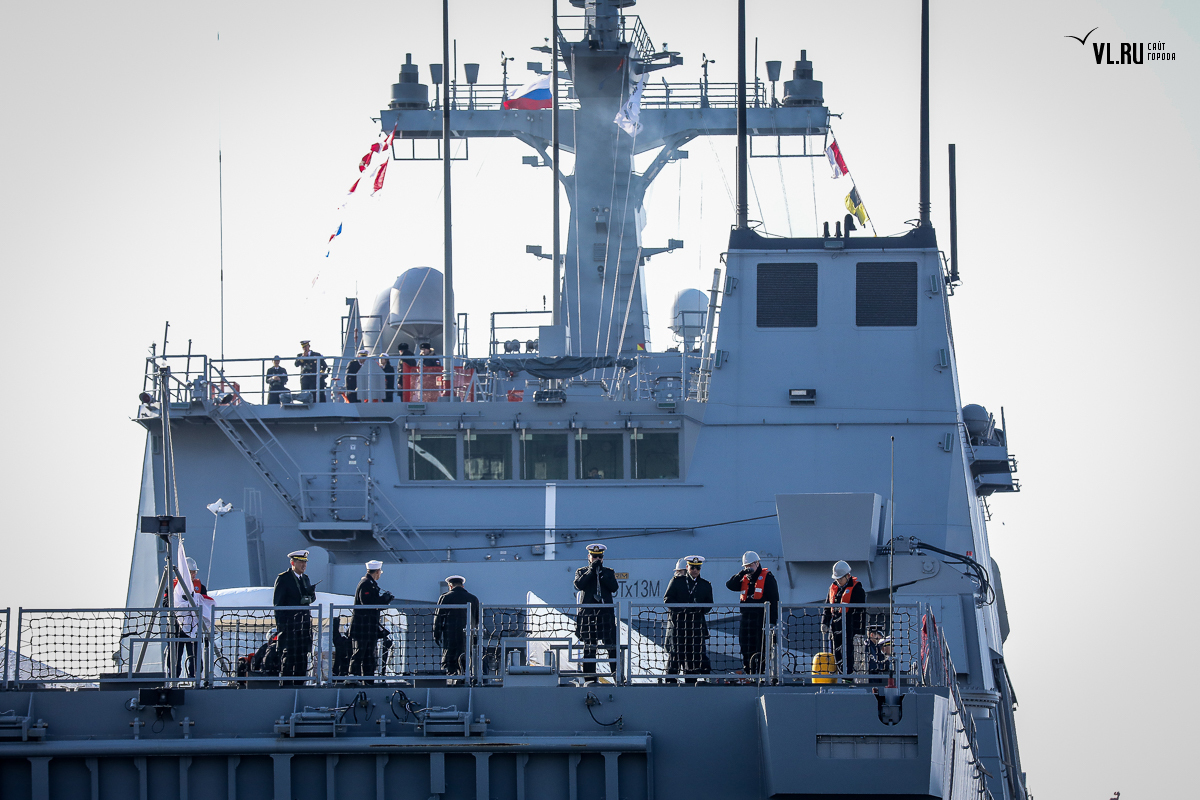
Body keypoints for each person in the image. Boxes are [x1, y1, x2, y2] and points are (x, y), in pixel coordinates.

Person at [726, 551, 779, 676]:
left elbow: (774, 600)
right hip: (746, 619)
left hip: (761, 619)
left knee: (761, 648)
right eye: (746, 566)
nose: (748, 568)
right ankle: (749, 672)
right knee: (745, 646)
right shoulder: (744, 579)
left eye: (750, 565)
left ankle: (761, 674)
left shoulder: (768, 578)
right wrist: (742, 573)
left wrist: (772, 621)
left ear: (757, 563)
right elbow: (730, 585)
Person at [574, 543, 619, 682]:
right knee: (589, 647)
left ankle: (617, 675)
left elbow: (614, 587)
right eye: (594, 557)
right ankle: (589, 678)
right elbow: (579, 585)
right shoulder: (582, 572)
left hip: (605, 616)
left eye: (599, 557)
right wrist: (591, 571)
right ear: (589, 557)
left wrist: (601, 574)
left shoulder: (608, 572)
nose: (597, 559)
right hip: (588, 616)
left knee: (612, 646)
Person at [663, 555, 713, 681]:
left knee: (693, 658)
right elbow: (668, 599)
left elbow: (709, 604)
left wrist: (699, 608)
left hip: (695, 627)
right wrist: (682, 608)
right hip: (678, 625)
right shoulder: (676, 582)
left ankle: (691, 683)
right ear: (687, 567)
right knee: (675, 655)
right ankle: (670, 682)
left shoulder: (705, 585)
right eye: (692, 567)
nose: (695, 570)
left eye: (698, 568)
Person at [273, 549, 317, 685]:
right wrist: (282, 627)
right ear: (293, 563)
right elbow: (278, 604)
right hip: (290, 625)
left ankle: (300, 685)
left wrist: (311, 594)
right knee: (289, 657)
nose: (303, 565)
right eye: (300, 562)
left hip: (303, 625)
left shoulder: (305, 579)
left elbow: (309, 599)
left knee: (302, 657)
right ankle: (286, 685)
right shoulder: (284, 579)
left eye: (305, 562)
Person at [349, 559, 394, 681]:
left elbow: (373, 604)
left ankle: (368, 680)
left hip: (369, 627)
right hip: (363, 627)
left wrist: (385, 601)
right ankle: (353, 677)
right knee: (360, 652)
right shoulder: (366, 584)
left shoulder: (371, 584)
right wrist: (383, 599)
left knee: (369, 656)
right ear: (377, 571)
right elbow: (367, 602)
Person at [821, 560, 866, 679]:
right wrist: (825, 622)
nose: (838, 581)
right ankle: (840, 676)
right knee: (837, 652)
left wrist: (860, 631)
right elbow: (828, 607)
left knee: (849, 653)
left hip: (850, 627)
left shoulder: (857, 589)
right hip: (836, 626)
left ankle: (848, 678)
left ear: (848, 576)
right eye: (837, 579)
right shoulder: (833, 588)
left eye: (840, 578)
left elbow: (861, 612)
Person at [171, 557, 214, 679]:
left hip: (194, 628)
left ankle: (195, 678)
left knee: (195, 658)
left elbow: (205, 603)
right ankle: (173, 679)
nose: (194, 574)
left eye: (195, 572)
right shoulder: (172, 587)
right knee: (174, 658)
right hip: (176, 628)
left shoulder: (201, 588)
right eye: (191, 572)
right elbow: (166, 603)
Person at [433, 575, 481, 681]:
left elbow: (438, 618)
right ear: (462, 586)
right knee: (466, 663)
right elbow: (477, 620)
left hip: (450, 637)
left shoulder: (445, 597)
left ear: (450, 586)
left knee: (449, 665)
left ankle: (450, 681)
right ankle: (465, 680)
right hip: (467, 638)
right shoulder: (473, 599)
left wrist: (436, 635)